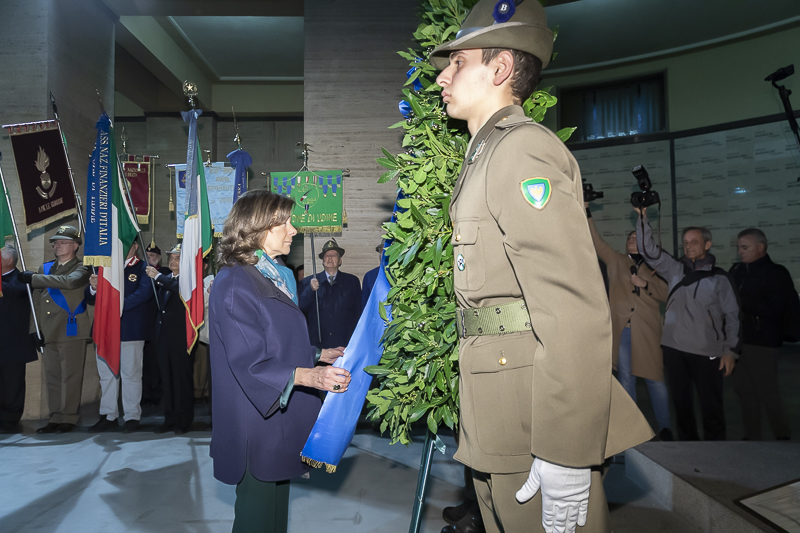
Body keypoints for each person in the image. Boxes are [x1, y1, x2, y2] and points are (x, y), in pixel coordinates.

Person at [429, 2, 654, 532]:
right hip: (502, 408)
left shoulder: (521, 151)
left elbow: (571, 306)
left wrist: (566, 452)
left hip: (535, 416)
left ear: (501, 69)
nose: (442, 75)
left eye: (457, 63)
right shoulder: (486, 155)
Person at [209, 190, 351, 533]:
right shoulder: (234, 282)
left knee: (274, 520)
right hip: (255, 425)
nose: (293, 229)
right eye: (284, 222)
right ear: (257, 227)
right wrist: (312, 377)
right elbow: (249, 362)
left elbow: (273, 337)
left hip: (276, 419)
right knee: (256, 520)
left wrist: (318, 354)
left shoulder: (274, 275)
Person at [636, 210, 740, 441]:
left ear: (707, 244)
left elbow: (734, 316)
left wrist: (730, 350)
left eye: (694, 242)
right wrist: (643, 216)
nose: (689, 246)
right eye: (685, 243)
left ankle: (716, 452)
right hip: (674, 349)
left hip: (707, 351)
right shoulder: (674, 269)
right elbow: (647, 250)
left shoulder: (720, 278)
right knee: (681, 405)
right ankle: (688, 452)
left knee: (711, 407)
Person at [586, 209, 672, 441]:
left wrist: (645, 284)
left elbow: (669, 294)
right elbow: (596, 241)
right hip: (623, 330)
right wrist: (587, 211)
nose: (631, 240)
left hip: (648, 332)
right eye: (629, 238)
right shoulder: (616, 260)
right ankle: (631, 430)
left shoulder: (659, 265)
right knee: (626, 380)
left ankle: (665, 428)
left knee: (655, 380)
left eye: (636, 237)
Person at [17, 225, 91, 434]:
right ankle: (55, 416)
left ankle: (68, 417)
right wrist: (35, 329)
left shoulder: (83, 267)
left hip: (71, 328)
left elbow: (69, 282)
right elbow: (37, 302)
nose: (57, 245)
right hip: (49, 330)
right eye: (55, 242)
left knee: (71, 375)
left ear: (75, 246)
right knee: (53, 376)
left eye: (63, 242)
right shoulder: (45, 268)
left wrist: (32, 278)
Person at [729, 228, 793, 440]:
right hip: (738, 341)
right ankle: (751, 437)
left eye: (744, 247)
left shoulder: (776, 273)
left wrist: (738, 299)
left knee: (767, 392)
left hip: (763, 343)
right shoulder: (737, 271)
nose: (740, 252)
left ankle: (783, 438)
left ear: (761, 248)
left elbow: (775, 309)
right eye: (738, 247)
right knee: (744, 391)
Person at [86, 242, 152, 433]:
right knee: (106, 375)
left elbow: (143, 294)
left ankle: (132, 416)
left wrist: (113, 306)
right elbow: (89, 297)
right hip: (104, 330)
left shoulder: (143, 267)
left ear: (136, 246)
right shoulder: (105, 266)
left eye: (127, 244)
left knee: (130, 374)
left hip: (129, 329)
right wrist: (93, 287)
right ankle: (108, 415)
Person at [145, 244, 194, 434]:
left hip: (181, 337)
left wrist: (158, 276)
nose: (173, 261)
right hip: (163, 336)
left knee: (182, 379)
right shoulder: (166, 280)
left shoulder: (188, 280)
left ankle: (184, 419)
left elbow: (180, 290)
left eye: (178, 258)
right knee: (167, 378)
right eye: (171, 258)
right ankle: (170, 417)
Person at [0, 245, 38, 433]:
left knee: (12, 383)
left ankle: (10, 419)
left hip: (14, 343)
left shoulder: (21, 278)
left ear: (8, 260)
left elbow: (12, 290)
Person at [298, 238, 361, 348]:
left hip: (344, 342)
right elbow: (300, 308)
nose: (330, 258)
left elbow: (358, 311)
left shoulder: (352, 281)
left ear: (340, 261)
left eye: (334, 255)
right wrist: (310, 290)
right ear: (322, 261)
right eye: (326, 255)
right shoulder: (307, 282)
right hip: (318, 344)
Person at [142, 243, 169, 405]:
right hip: (145, 323)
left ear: (158, 258)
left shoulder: (164, 273)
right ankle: (146, 394)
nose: (149, 259)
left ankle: (159, 393)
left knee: (158, 362)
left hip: (160, 324)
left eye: (152, 256)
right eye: (146, 256)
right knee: (145, 362)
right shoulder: (140, 273)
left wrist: (155, 275)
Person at [361, 243, 383, 310]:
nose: (385, 254)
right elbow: (365, 306)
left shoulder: (405, 274)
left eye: (389, 250)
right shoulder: (370, 276)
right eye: (382, 251)